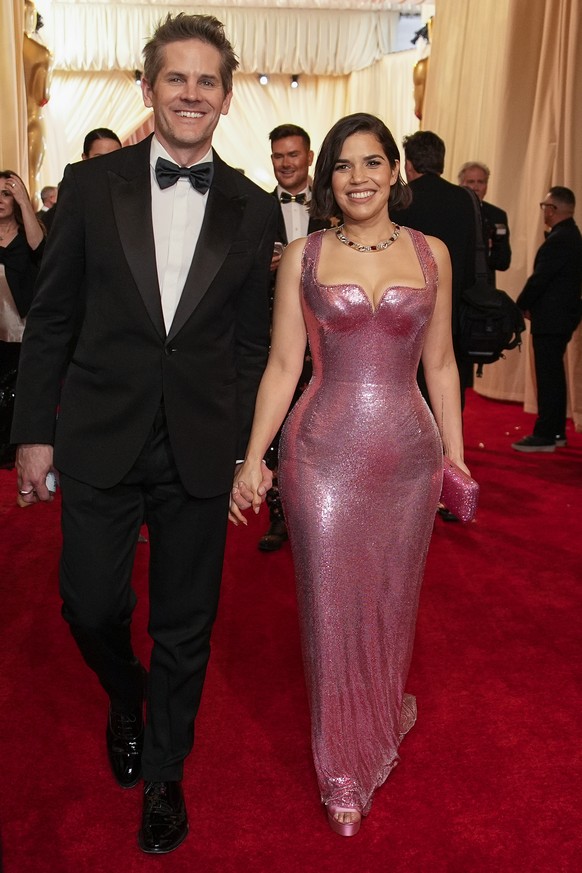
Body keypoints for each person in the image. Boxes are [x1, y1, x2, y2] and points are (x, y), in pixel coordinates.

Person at [11, 13, 276, 855]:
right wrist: (33, 434)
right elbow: (51, 319)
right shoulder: (92, 188)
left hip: (200, 444)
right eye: (176, 77)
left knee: (185, 622)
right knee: (89, 604)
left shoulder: (254, 205)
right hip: (98, 433)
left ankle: (165, 769)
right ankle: (125, 696)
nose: (191, 93)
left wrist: (244, 447)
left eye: (207, 81)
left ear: (226, 96)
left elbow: (253, 343)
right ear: (148, 87)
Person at [230, 113, 467, 837]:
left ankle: (382, 702)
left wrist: (455, 457)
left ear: (395, 170)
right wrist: (253, 457)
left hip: (407, 459)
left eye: (372, 162)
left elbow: (443, 363)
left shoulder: (434, 255)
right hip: (321, 456)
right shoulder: (304, 254)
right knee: (331, 605)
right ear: (327, 178)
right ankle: (342, 767)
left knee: (393, 599)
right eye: (343, 165)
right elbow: (280, 365)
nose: (358, 177)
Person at [258, 123, 330, 552]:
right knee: (279, 425)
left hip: (328, 334)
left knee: (321, 428)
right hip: (274, 334)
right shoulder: (256, 207)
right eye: (278, 156)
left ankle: (321, 514)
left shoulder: (333, 204)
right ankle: (280, 517)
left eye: (293, 155)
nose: (286, 163)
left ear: (309, 157)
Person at [391, 131, 476, 410]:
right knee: (449, 375)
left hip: (409, 309)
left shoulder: (402, 198)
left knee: (413, 382)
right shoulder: (465, 199)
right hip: (456, 307)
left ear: (409, 164)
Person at [512, 187, 582, 452]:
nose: (544, 211)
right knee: (553, 375)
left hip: (553, 319)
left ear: (552, 210)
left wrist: (520, 306)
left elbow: (540, 279)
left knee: (548, 376)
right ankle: (555, 432)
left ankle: (546, 434)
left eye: (545, 206)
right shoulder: (571, 235)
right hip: (561, 317)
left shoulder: (560, 239)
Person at [0, 171, 45, 467]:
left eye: (6, 193)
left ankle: (13, 453)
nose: (0, 200)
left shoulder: (26, 233)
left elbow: (40, 248)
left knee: (17, 394)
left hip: (20, 328)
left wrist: (25, 203)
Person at [458, 161, 511, 285]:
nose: (476, 187)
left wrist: (489, 249)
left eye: (480, 182)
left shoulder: (497, 215)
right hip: (459, 284)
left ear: (486, 185)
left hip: (486, 286)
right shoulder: (454, 212)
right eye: (471, 182)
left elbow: (503, 262)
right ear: (460, 184)